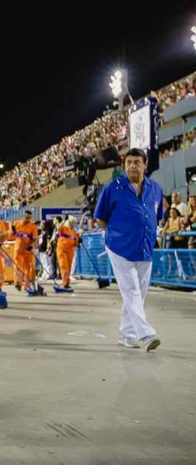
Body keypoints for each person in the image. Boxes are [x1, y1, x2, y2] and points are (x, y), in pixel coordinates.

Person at [94, 148, 163, 352]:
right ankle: (146, 334)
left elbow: (157, 215)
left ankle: (126, 334)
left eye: (136, 162)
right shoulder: (112, 187)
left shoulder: (155, 188)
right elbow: (100, 217)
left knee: (139, 293)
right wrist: (117, 234)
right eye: (128, 162)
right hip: (120, 247)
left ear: (145, 165)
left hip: (144, 247)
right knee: (131, 289)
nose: (132, 166)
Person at [12, 210, 38, 290]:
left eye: (29, 218)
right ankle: (18, 283)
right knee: (18, 267)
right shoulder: (16, 224)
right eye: (27, 218)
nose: (28, 220)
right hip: (18, 250)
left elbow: (35, 239)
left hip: (28, 251)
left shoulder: (33, 226)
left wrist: (30, 245)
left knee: (29, 268)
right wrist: (11, 231)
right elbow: (11, 234)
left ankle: (27, 285)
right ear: (23, 216)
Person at [55, 216, 79, 291]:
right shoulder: (63, 228)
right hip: (62, 250)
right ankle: (65, 283)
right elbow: (58, 228)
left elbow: (76, 242)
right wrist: (63, 222)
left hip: (70, 251)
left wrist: (78, 242)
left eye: (74, 223)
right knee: (63, 266)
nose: (73, 225)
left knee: (68, 267)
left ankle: (67, 283)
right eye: (72, 223)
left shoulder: (74, 232)